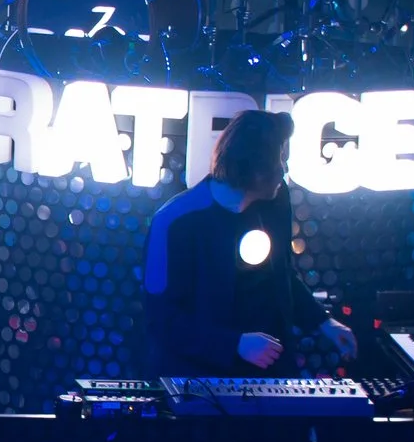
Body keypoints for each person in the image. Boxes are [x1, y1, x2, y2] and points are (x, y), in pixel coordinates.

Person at [143, 108, 358, 375]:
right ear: (254, 169)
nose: (284, 169)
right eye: (280, 158)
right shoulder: (173, 222)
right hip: (201, 379)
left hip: (271, 370)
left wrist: (322, 322)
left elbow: (280, 276)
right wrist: (233, 344)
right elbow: (162, 320)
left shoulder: (275, 200)